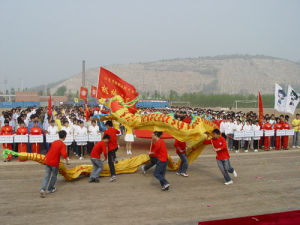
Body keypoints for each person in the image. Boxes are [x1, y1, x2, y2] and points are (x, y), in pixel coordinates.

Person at [40, 130, 69, 198]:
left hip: (48, 160)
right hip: (54, 162)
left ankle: (42, 189)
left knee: (47, 176)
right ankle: (50, 188)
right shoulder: (62, 144)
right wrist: (67, 161)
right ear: (64, 137)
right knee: (54, 176)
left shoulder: (54, 142)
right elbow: (64, 154)